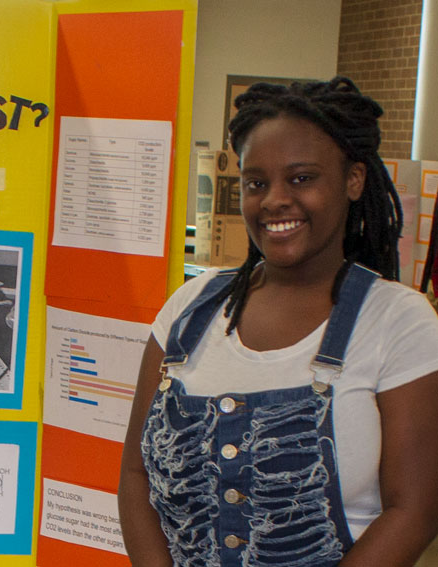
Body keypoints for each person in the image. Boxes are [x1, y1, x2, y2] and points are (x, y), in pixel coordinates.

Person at [118, 77, 438, 567]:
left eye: (302, 178)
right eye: (256, 183)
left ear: (353, 180)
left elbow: (413, 511)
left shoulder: (399, 322)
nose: (274, 200)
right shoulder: (188, 309)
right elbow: (136, 477)